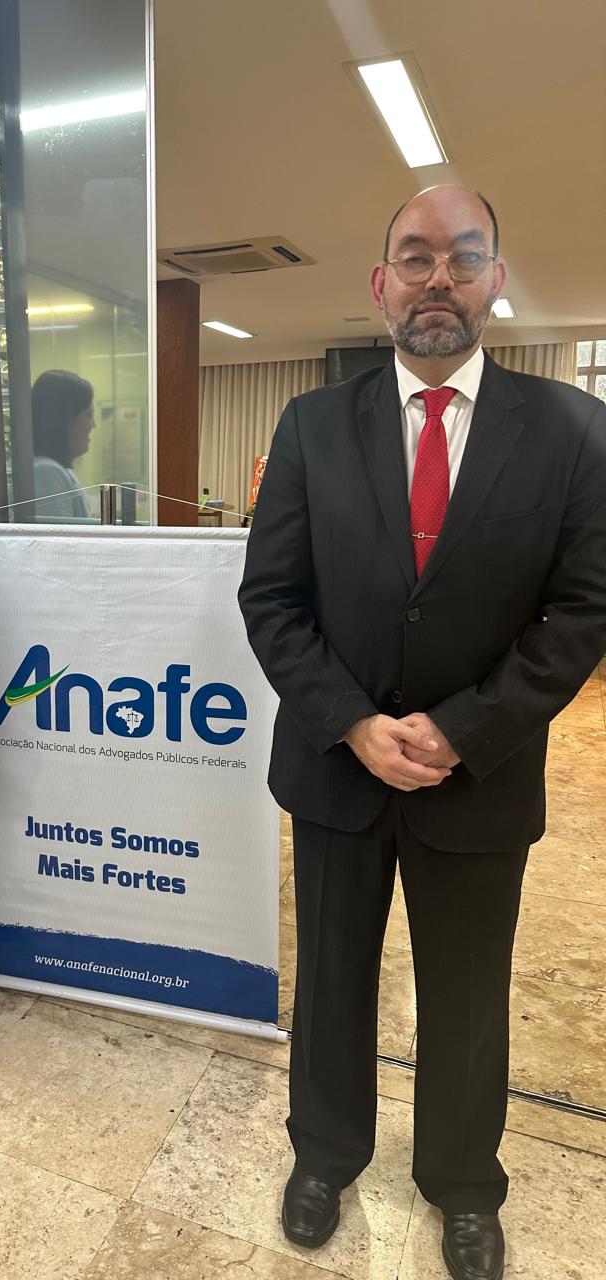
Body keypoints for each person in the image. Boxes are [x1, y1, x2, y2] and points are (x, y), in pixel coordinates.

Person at [238, 186, 606, 1280]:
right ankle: (324, 1156)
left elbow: (582, 611)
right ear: (380, 283)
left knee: (468, 996)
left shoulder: (574, 430)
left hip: (479, 778)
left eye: (464, 256)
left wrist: (459, 731)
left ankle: (463, 1182)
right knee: (330, 982)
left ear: (496, 280)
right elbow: (273, 600)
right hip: (337, 769)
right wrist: (353, 722)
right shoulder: (310, 427)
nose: (438, 277)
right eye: (415, 257)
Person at [32, 369, 95, 519]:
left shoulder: (60, 470)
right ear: (64, 419)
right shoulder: (46, 473)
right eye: (88, 415)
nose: (93, 424)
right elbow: (55, 534)